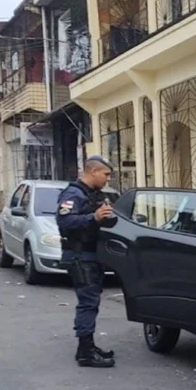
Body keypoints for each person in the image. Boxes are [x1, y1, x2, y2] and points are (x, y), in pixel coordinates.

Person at [56, 155, 117, 368]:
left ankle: (87, 347)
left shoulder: (94, 194)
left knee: (91, 301)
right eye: (106, 174)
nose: (107, 179)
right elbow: (64, 221)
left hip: (92, 255)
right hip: (79, 256)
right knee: (88, 303)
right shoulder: (73, 193)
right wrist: (94, 218)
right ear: (93, 172)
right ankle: (85, 353)